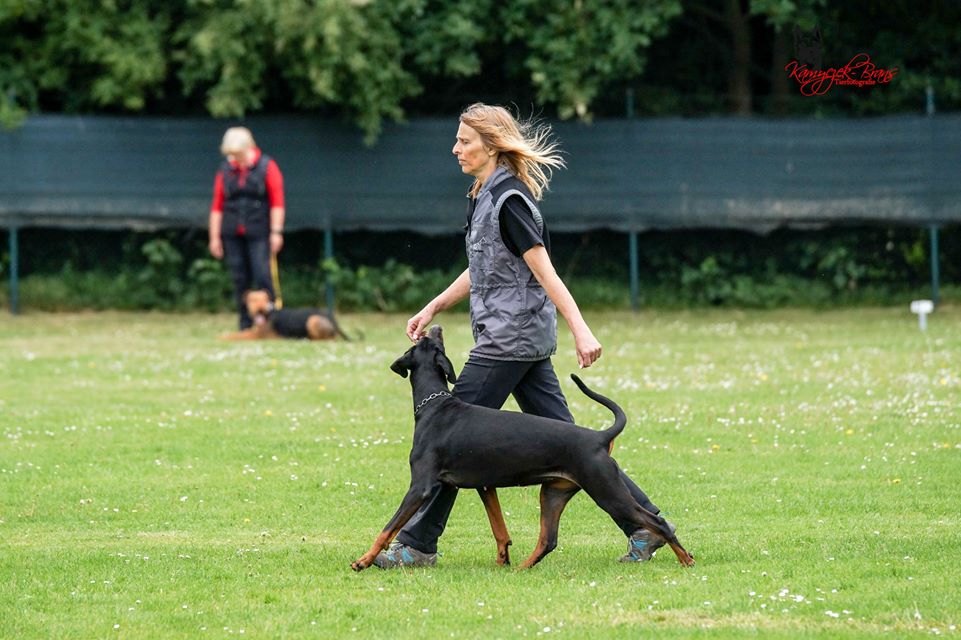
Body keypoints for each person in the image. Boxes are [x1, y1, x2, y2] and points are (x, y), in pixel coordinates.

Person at [375, 103, 674, 568]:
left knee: (447, 441)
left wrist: (581, 328)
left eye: (465, 142)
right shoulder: (484, 194)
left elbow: (546, 272)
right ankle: (646, 524)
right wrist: (434, 305)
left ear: (492, 146)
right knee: (580, 447)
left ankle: (416, 546)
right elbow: (483, 267)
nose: (456, 149)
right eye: (457, 140)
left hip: (506, 343)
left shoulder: (510, 201)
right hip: (521, 342)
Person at [208, 126, 286, 329]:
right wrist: (215, 237)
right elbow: (217, 206)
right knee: (239, 277)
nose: (235, 159)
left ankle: (273, 322)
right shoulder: (225, 170)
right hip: (232, 232)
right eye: (231, 155)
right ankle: (245, 323)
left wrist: (276, 232)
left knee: (262, 274)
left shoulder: (267, 166)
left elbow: (277, 201)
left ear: (248, 147)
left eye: (238, 154)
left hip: (260, 232)